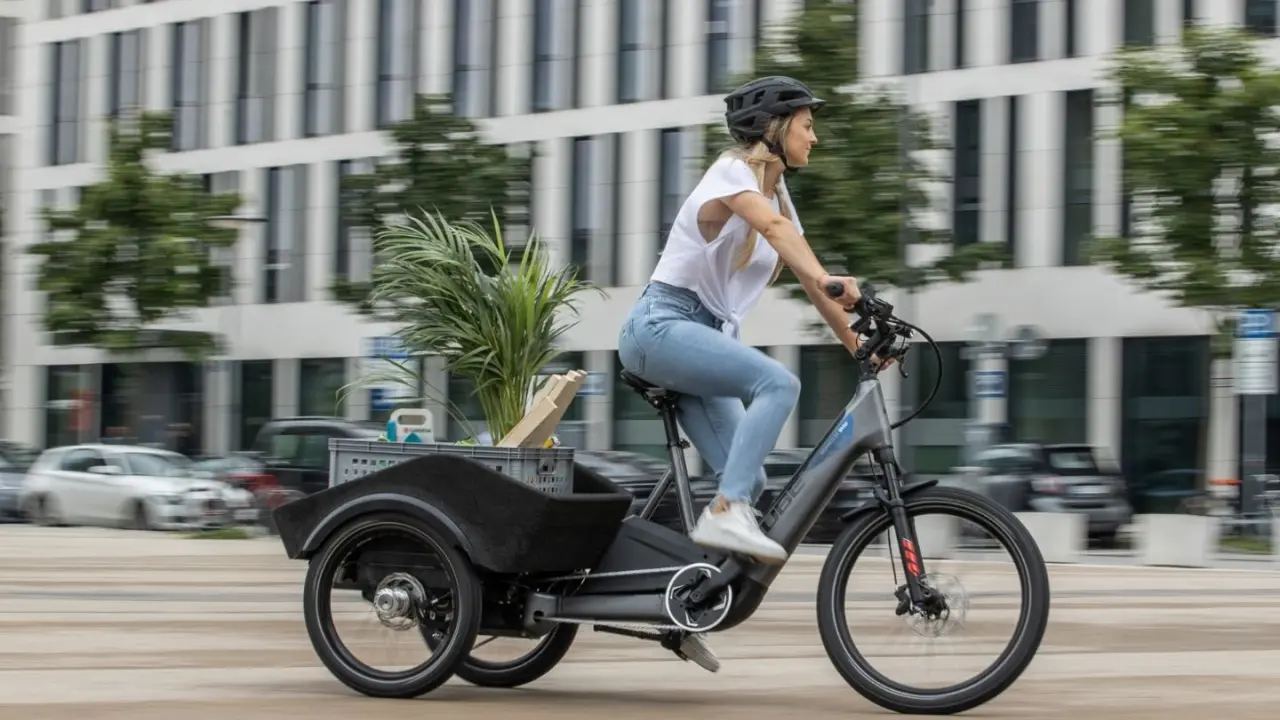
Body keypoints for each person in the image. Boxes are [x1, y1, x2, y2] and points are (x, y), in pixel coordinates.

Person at [617, 76, 889, 565]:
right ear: (774, 129)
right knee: (779, 384)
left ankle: (694, 591)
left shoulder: (778, 195)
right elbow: (775, 231)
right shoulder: (731, 172)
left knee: (750, 479)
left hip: (699, 334)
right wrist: (828, 277)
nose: (814, 137)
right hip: (660, 326)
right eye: (807, 126)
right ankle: (726, 512)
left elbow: (809, 278)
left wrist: (858, 347)